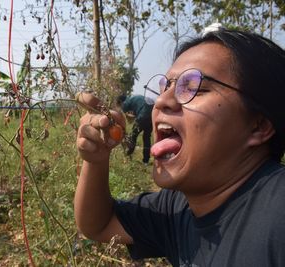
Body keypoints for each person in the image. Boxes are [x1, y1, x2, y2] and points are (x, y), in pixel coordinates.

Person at [75, 28, 285, 267]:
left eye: (193, 87)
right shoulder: (177, 207)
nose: (162, 100)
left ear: (258, 126)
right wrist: (96, 160)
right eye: (165, 86)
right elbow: (99, 224)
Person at [116, 94, 154, 164]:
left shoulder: (127, 101)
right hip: (152, 115)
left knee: (133, 135)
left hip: (143, 114)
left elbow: (125, 111)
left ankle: (128, 154)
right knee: (146, 137)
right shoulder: (134, 97)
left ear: (121, 102)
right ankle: (146, 161)